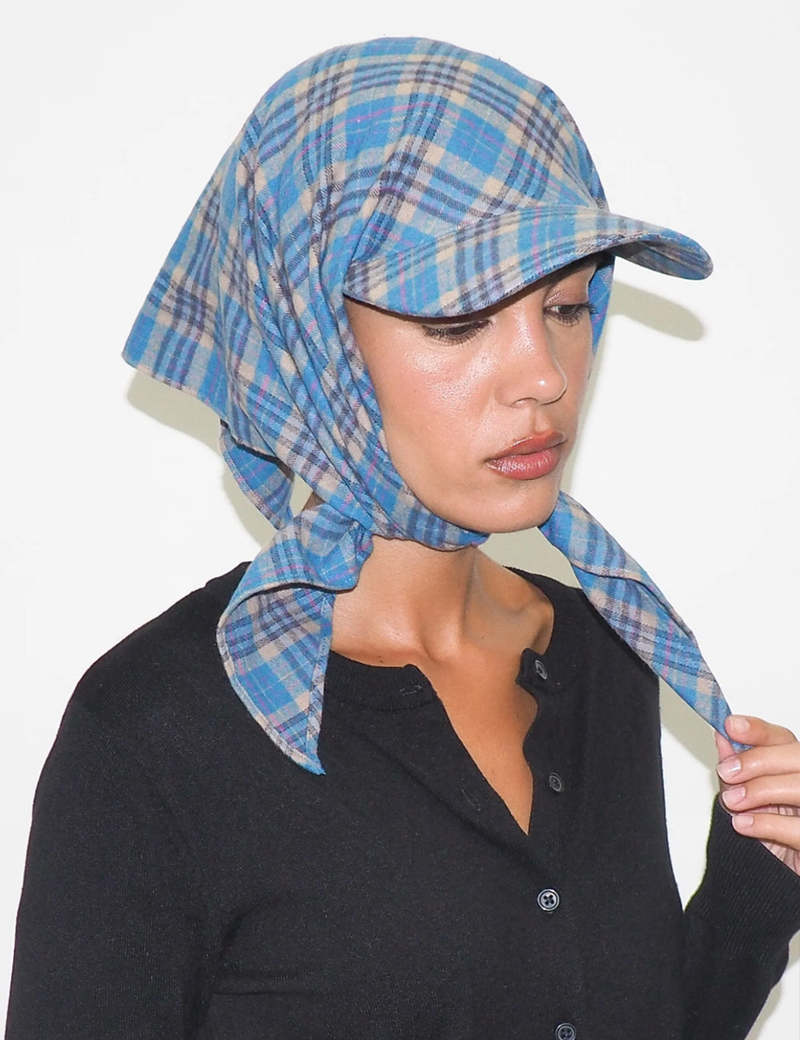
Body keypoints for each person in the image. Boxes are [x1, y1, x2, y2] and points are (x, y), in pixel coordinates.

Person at [5, 35, 800, 1040]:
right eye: (460, 320)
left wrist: (756, 885)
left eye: (564, 306)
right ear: (308, 341)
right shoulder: (155, 732)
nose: (545, 375)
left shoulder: (603, 649)